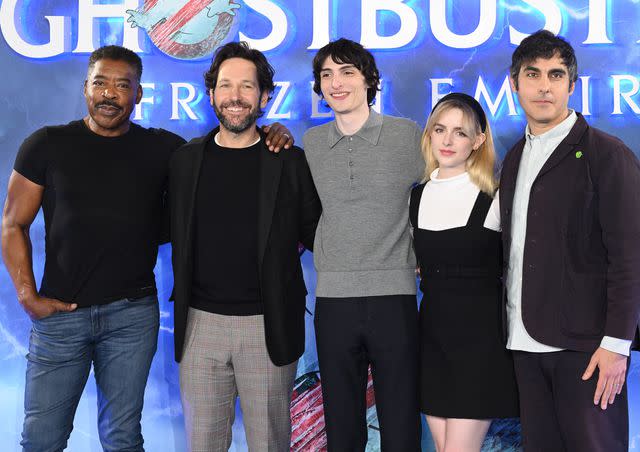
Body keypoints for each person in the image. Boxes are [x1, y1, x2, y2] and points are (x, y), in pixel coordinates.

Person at [0, 45, 293, 452]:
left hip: (131, 316)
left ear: (139, 94)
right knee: (40, 439)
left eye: (123, 85)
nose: (109, 94)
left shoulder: (167, 150)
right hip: (60, 318)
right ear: (86, 87)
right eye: (100, 82)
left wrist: (271, 133)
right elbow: (13, 223)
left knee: (122, 437)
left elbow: (227, 155)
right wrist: (27, 295)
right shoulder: (47, 144)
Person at [169, 41, 321, 452]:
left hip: (268, 325)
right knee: (203, 444)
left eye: (247, 87)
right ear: (212, 94)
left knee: (270, 444)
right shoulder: (184, 161)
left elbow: (316, 236)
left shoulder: (290, 161)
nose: (235, 96)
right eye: (226, 85)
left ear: (264, 96)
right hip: (199, 327)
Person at [501, 30, 640, 451]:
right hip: (523, 344)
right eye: (533, 74)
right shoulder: (513, 158)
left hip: (588, 348)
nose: (544, 86)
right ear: (514, 83)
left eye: (556, 75)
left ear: (571, 86)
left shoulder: (606, 153)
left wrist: (617, 345)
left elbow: (630, 256)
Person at [303, 38, 423, 451]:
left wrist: (422, 246)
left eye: (347, 72)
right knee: (341, 424)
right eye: (326, 75)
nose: (336, 83)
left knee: (401, 421)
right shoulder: (312, 144)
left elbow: (446, 189)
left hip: (395, 296)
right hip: (334, 299)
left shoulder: (406, 136)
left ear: (369, 80)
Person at [409, 93, 519, 452]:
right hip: (432, 339)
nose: (447, 140)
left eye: (460, 132)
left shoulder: (496, 198)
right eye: (439, 129)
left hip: (480, 345)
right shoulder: (417, 197)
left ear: (478, 140)